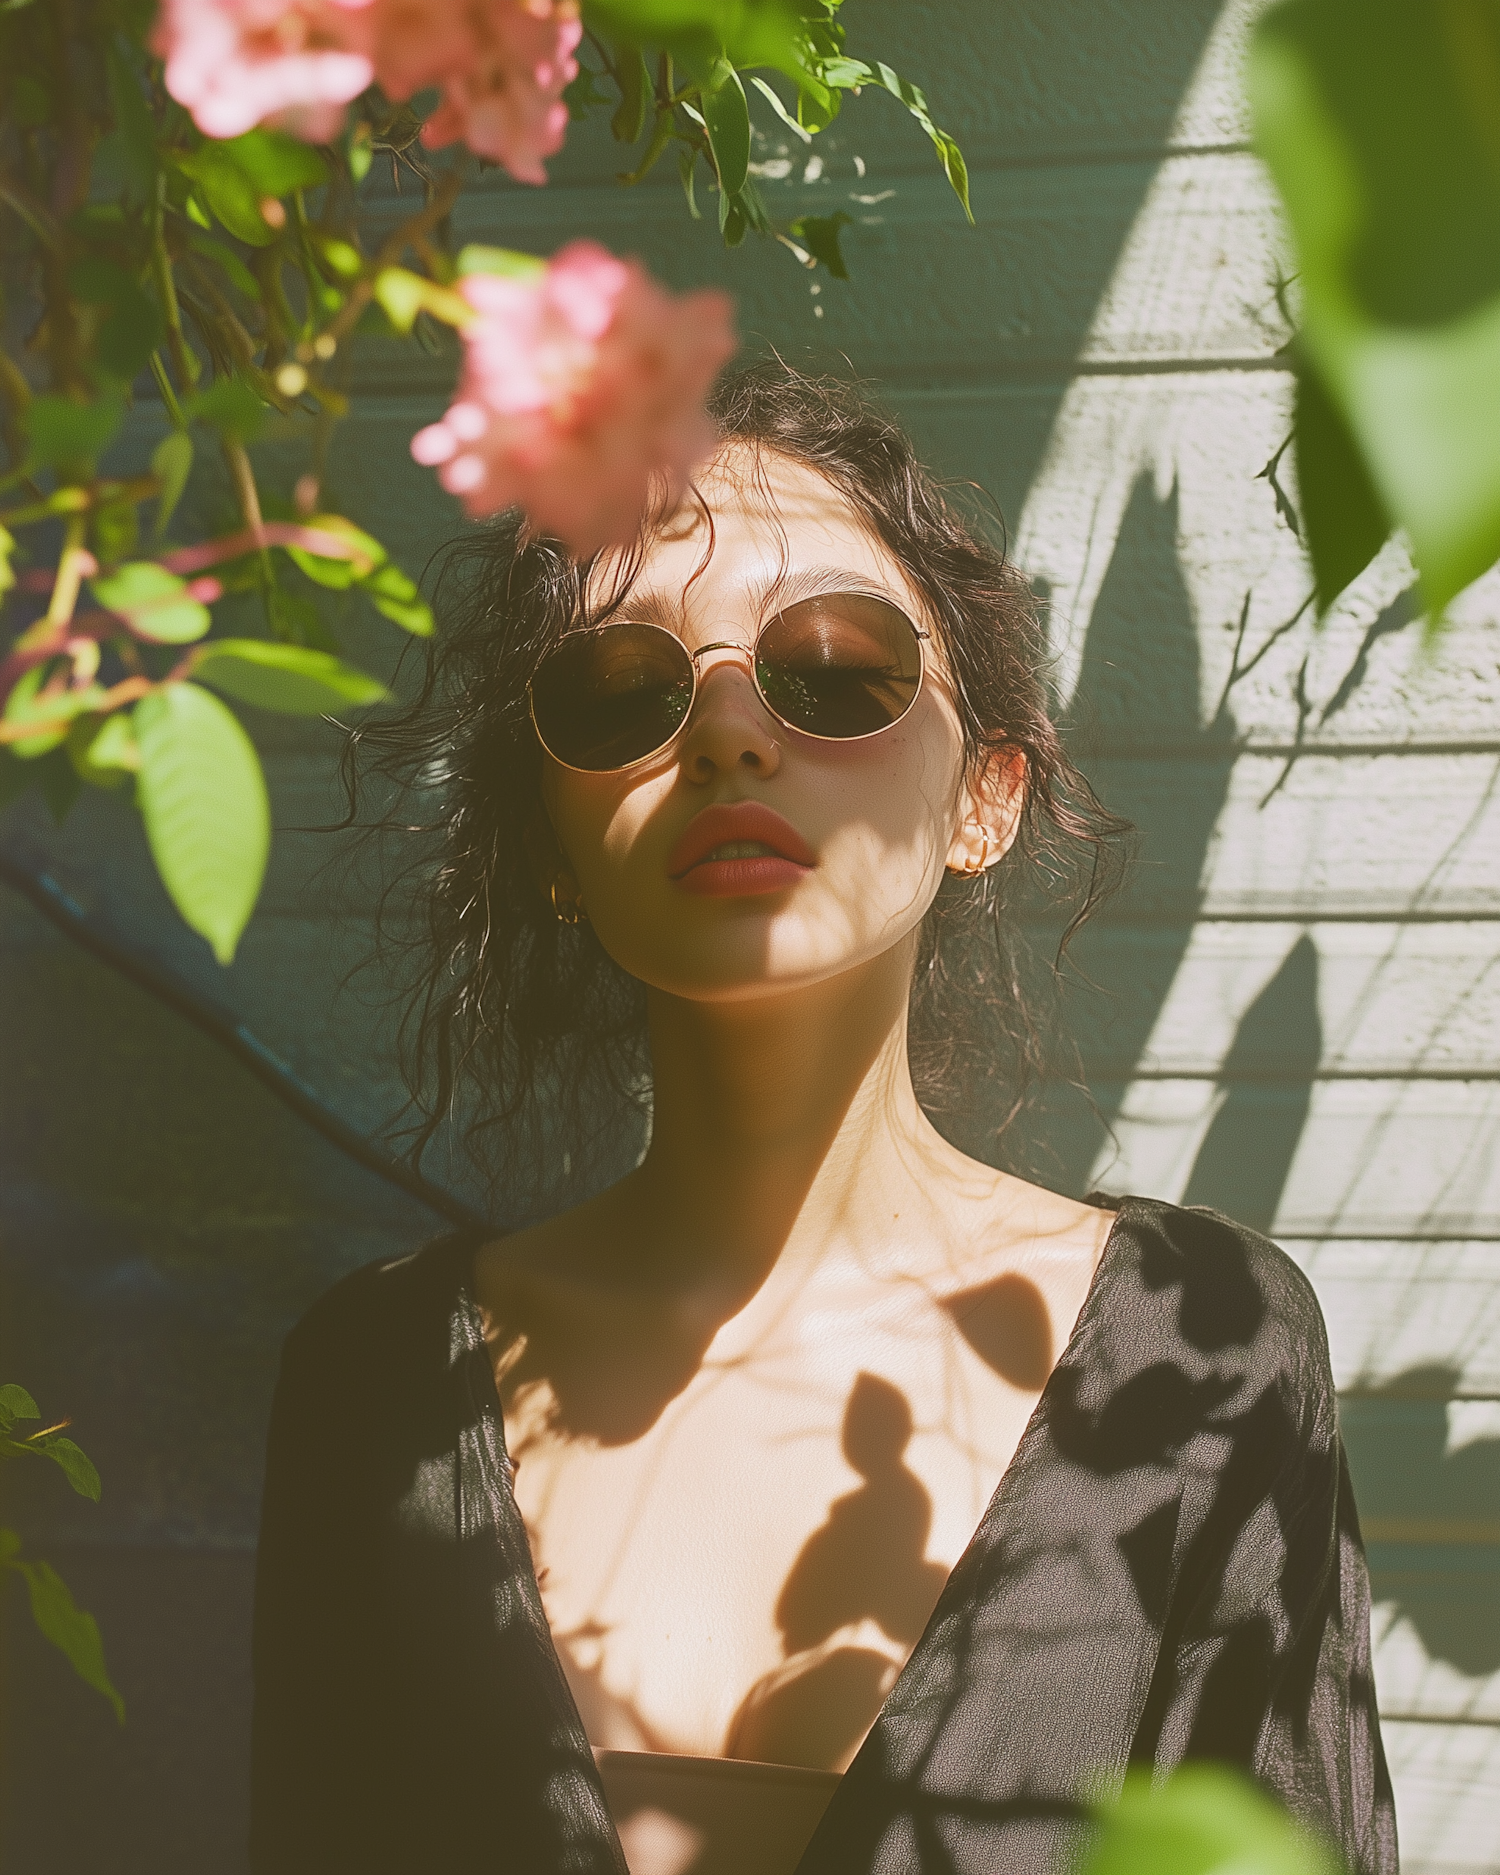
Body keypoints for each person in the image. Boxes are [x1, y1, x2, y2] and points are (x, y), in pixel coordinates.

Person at [249, 364, 1397, 1875]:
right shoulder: (376, 1381)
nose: (725, 726)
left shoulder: (1209, 1352)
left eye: (835, 665)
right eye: (621, 687)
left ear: (987, 795)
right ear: (547, 837)